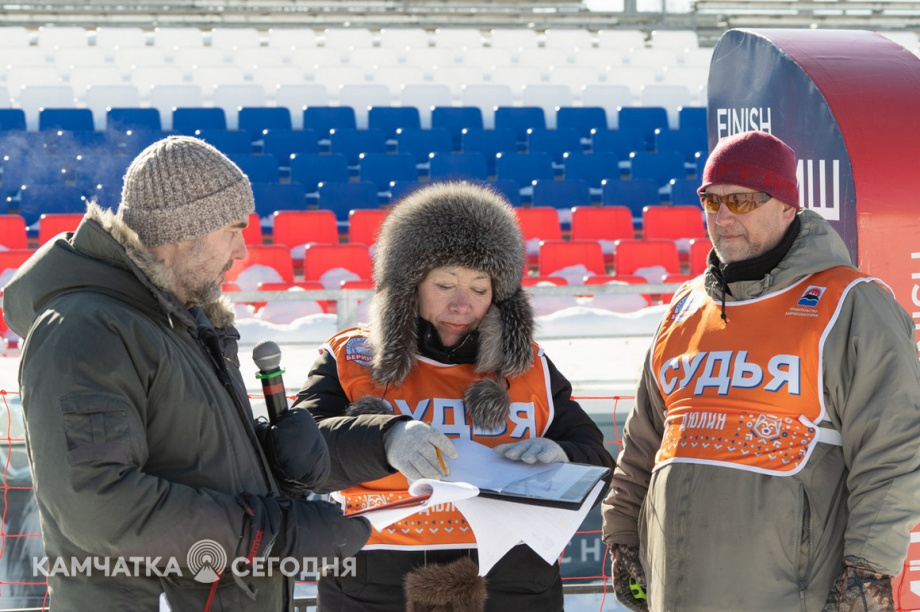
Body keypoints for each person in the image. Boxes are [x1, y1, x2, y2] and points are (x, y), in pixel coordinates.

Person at [2, 136, 370, 611]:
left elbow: (185, 455)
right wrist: (272, 533)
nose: (243, 252)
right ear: (183, 231)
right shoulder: (87, 328)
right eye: (233, 230)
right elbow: (100, 506)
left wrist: (271, 463)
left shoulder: (182, 321)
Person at [601, 130, 920, 612]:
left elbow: (894, 447)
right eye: (711, 200)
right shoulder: (686, 307)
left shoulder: (851, 303)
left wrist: (869, 568)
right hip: (679, 591)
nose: (724, 216)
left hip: (793, 595)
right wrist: (623, 535)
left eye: (743, 199)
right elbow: (645, 440)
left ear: (788, 205)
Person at [293, 181, 615, 611]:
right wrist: (384, 439)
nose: (463, 305)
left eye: (480, 289)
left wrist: (561, 456)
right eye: (445, 285)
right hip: (374, 587)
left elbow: (597, 461)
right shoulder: (350, 357)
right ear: (409, 285)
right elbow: (299, 454)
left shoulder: (532, 366)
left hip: (512, 586)